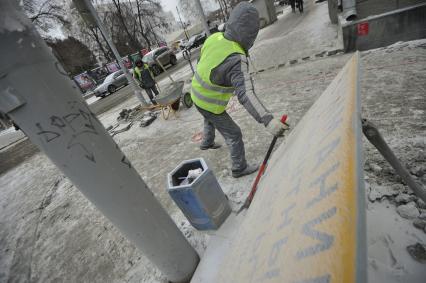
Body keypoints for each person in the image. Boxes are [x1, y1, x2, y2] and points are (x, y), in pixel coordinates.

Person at [191, 2, 289, 178]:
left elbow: (202, 61)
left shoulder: (215, 37)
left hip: (196, 94)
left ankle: (206, 142)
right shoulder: (236, 58)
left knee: (209, 117)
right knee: (234, 133)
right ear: (250, 33)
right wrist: (268, 120)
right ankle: (239, 167)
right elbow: (246, 95)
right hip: (209, 102)